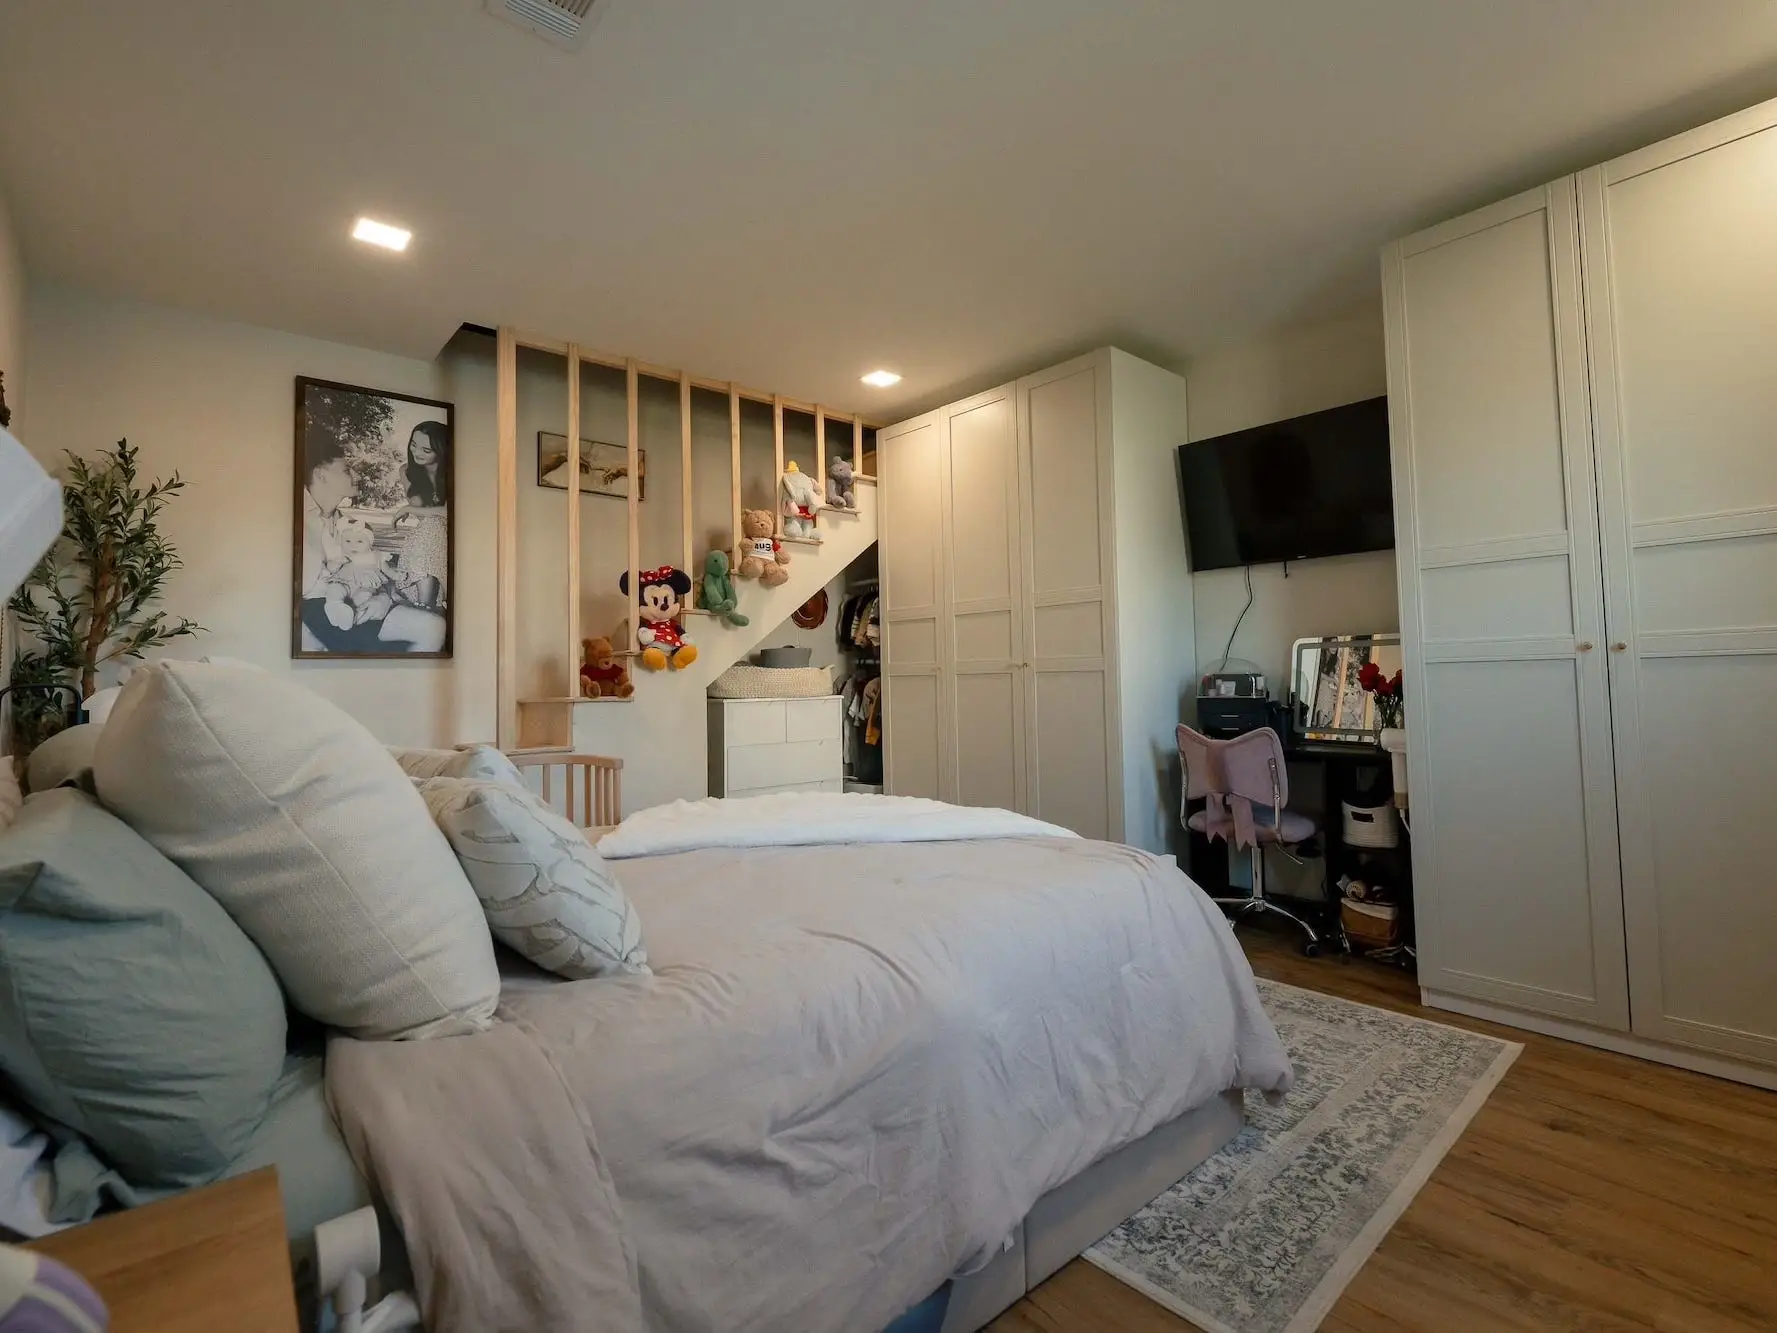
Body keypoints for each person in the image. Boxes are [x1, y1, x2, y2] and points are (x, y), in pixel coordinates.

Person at [299, 431, 446, 654]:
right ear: (321, 475)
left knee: (434, 626)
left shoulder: (347, 524)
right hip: (320, 609)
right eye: (347, 470)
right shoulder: (295, 518)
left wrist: (383, 599)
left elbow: (374, 566)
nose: (357, 474)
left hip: (361, 600)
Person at [391, 421, 449, 611]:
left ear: (441, 451)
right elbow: (426, 514)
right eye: (413, 445)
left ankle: (425, 604)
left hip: (455, 534)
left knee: (432, 525)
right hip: (432, 536)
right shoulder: (406, 471)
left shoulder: (454, 473)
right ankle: (425, 603)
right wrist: (415, 509)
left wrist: (409, 509)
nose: (417, 453)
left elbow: (452, 514)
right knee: (431, 524)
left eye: (426, 450)